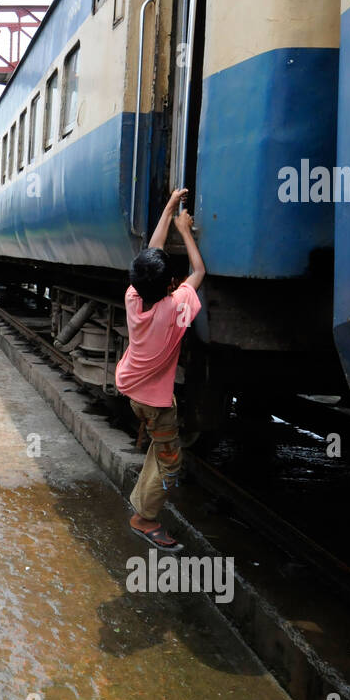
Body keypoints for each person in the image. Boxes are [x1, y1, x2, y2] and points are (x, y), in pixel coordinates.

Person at [114, 188, 205, 552]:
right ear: (170, 285)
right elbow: (199, 270)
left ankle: (141, 502)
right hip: (156, 404)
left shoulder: (134, 297)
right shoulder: (176, 309)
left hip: (130, 388)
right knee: (170, 465)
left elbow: (152, 254)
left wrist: (168, 207)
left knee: (159, 444)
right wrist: (184, 227)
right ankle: (144, 519)